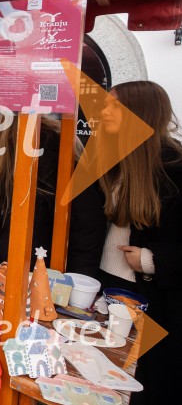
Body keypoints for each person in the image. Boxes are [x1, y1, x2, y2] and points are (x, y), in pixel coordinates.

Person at [95, 80, 182, 405]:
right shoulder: (112, 157)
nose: (103, 112)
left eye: (113, 105)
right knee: (102, 378)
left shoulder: (175, 167)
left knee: (143, 384)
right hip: (106, 287)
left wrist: (151, 259)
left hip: (151, 298)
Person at [0, 115, 107, 274]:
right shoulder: (9, 167)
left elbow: (86, 227)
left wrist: (76, 279)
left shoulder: (55, 164)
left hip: (36, 277)